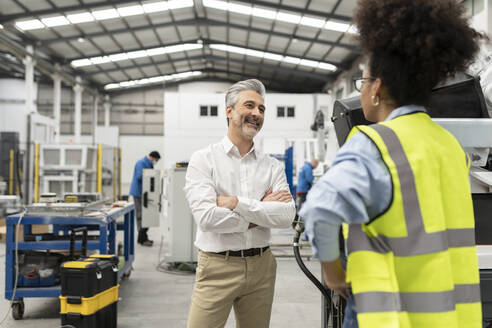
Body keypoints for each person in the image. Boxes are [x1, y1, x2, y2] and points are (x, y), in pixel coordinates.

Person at [300, 1, 483, 327]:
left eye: (363, 81)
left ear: (377, 90)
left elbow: (319, 210)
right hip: (451, 317)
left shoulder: (374, 144)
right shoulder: (450, 147)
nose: (363, 88)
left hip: (387, 314)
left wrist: (333, 273)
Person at [184, 79, 295, 328]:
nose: (257, 113)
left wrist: (236, 203)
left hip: (262, 266)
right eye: (249, 105)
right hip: (217, 267)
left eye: (262, 109)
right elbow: (208, 219)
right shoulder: (204, 160)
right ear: (229, 111)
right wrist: (261, 208)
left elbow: (286, 215)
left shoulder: (272, 166)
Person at [129, 151, 161, 247]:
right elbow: (139, 176)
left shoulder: (148, 164)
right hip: (139, 193)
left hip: (145, 192)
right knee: (140, 215)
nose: (155, 162)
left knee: (147, 216)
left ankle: (143, 238)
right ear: (151, 157)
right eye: (156, 160)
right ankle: (142, 239)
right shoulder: (141, 163)